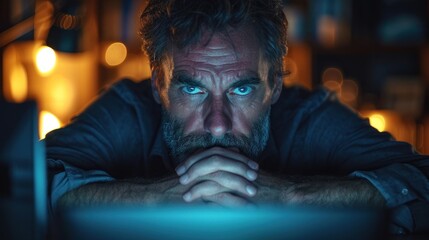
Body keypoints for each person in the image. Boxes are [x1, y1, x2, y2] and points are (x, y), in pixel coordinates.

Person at [46, 0, 429, 234]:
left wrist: (293, 196)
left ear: (274, 85)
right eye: (192, 88)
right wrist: (153, 197)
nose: (217, 123)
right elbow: (26, 181)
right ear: (159, 83)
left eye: (241, 89)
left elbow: (422, 182)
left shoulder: (308, 118)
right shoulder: (128, 110)